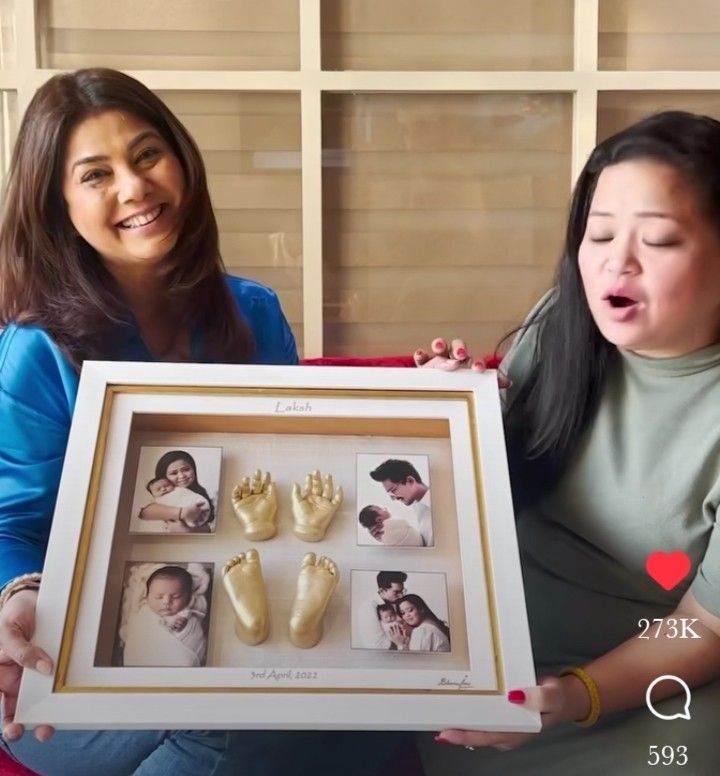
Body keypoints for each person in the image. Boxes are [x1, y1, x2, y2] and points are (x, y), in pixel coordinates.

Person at [0, 67, 404, 776]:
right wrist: (22, 596)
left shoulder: (252, 313)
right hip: (70, 648)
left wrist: (422, 404)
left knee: (372, 718)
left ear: (182, 163)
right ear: (58, 203)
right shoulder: (37, 350)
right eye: (95, 175)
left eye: (147, 155)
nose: (133, 187)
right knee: (240, 724)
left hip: (235, 627)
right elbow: (10, 524)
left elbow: (291, 475)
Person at [415, 110, 720, 774]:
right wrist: (450, 413)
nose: (617, 263)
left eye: (660, 240)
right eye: (599, 233)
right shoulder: (563, 324)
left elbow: (707, 624)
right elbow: (485, 489)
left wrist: (574, 695)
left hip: (645, 684)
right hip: (483, 660)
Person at [122, 565, 207, 668]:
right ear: (147, 596)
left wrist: (183, 627)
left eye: (176, 597)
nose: (166, 602)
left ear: (189, 597)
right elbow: (132, 633)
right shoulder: (144, 614)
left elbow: (194, 636)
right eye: (159, 597)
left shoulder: (186, 615)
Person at [139, 449, 214, 532]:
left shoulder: (208, 495)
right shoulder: (157, 496)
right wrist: (183, 513)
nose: (182, 476)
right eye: (174, 473)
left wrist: (188, 530)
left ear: (194, 469)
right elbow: (143, 512)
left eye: (186, 469)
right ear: (163, 477)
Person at [369, 459, 434, 546]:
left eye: (393, 490)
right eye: (389, 494)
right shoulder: (418, 506)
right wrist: (387, 537)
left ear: (410, 480)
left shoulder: (440, 508)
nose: (393, 498)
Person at [357, 571, 408, 649]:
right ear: (382, 590)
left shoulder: (396, 602)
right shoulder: (367, 607)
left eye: (402, 591)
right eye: (396, 592)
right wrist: (399, 643)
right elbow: (376, 645)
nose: (401, 596)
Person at [358, 505, 424, 547]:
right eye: (381, 509)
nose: (385, 508)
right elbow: (404, 522)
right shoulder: (394, 524)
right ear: (379, 519)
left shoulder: (382, 537)